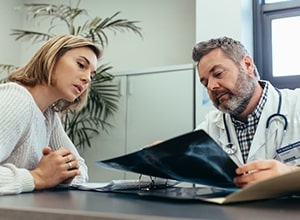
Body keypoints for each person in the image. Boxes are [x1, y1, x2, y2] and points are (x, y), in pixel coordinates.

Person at [192, 36, 300, 187]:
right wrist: (161, 158)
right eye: (205, 83)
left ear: (247, 65)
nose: (211, 86)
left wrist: (292, 175)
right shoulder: (211, 126)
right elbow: (181, 168)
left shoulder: (296, 104)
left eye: (218, 74)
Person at [0, 34, 101, 195]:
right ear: (52, 58)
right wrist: (37, 177)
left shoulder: (48, 116)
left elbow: (80, 168)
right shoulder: (16, 98)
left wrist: (62, 174)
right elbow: (40, 177)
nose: (87, 78)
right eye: (81, 65)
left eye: (92, 75)